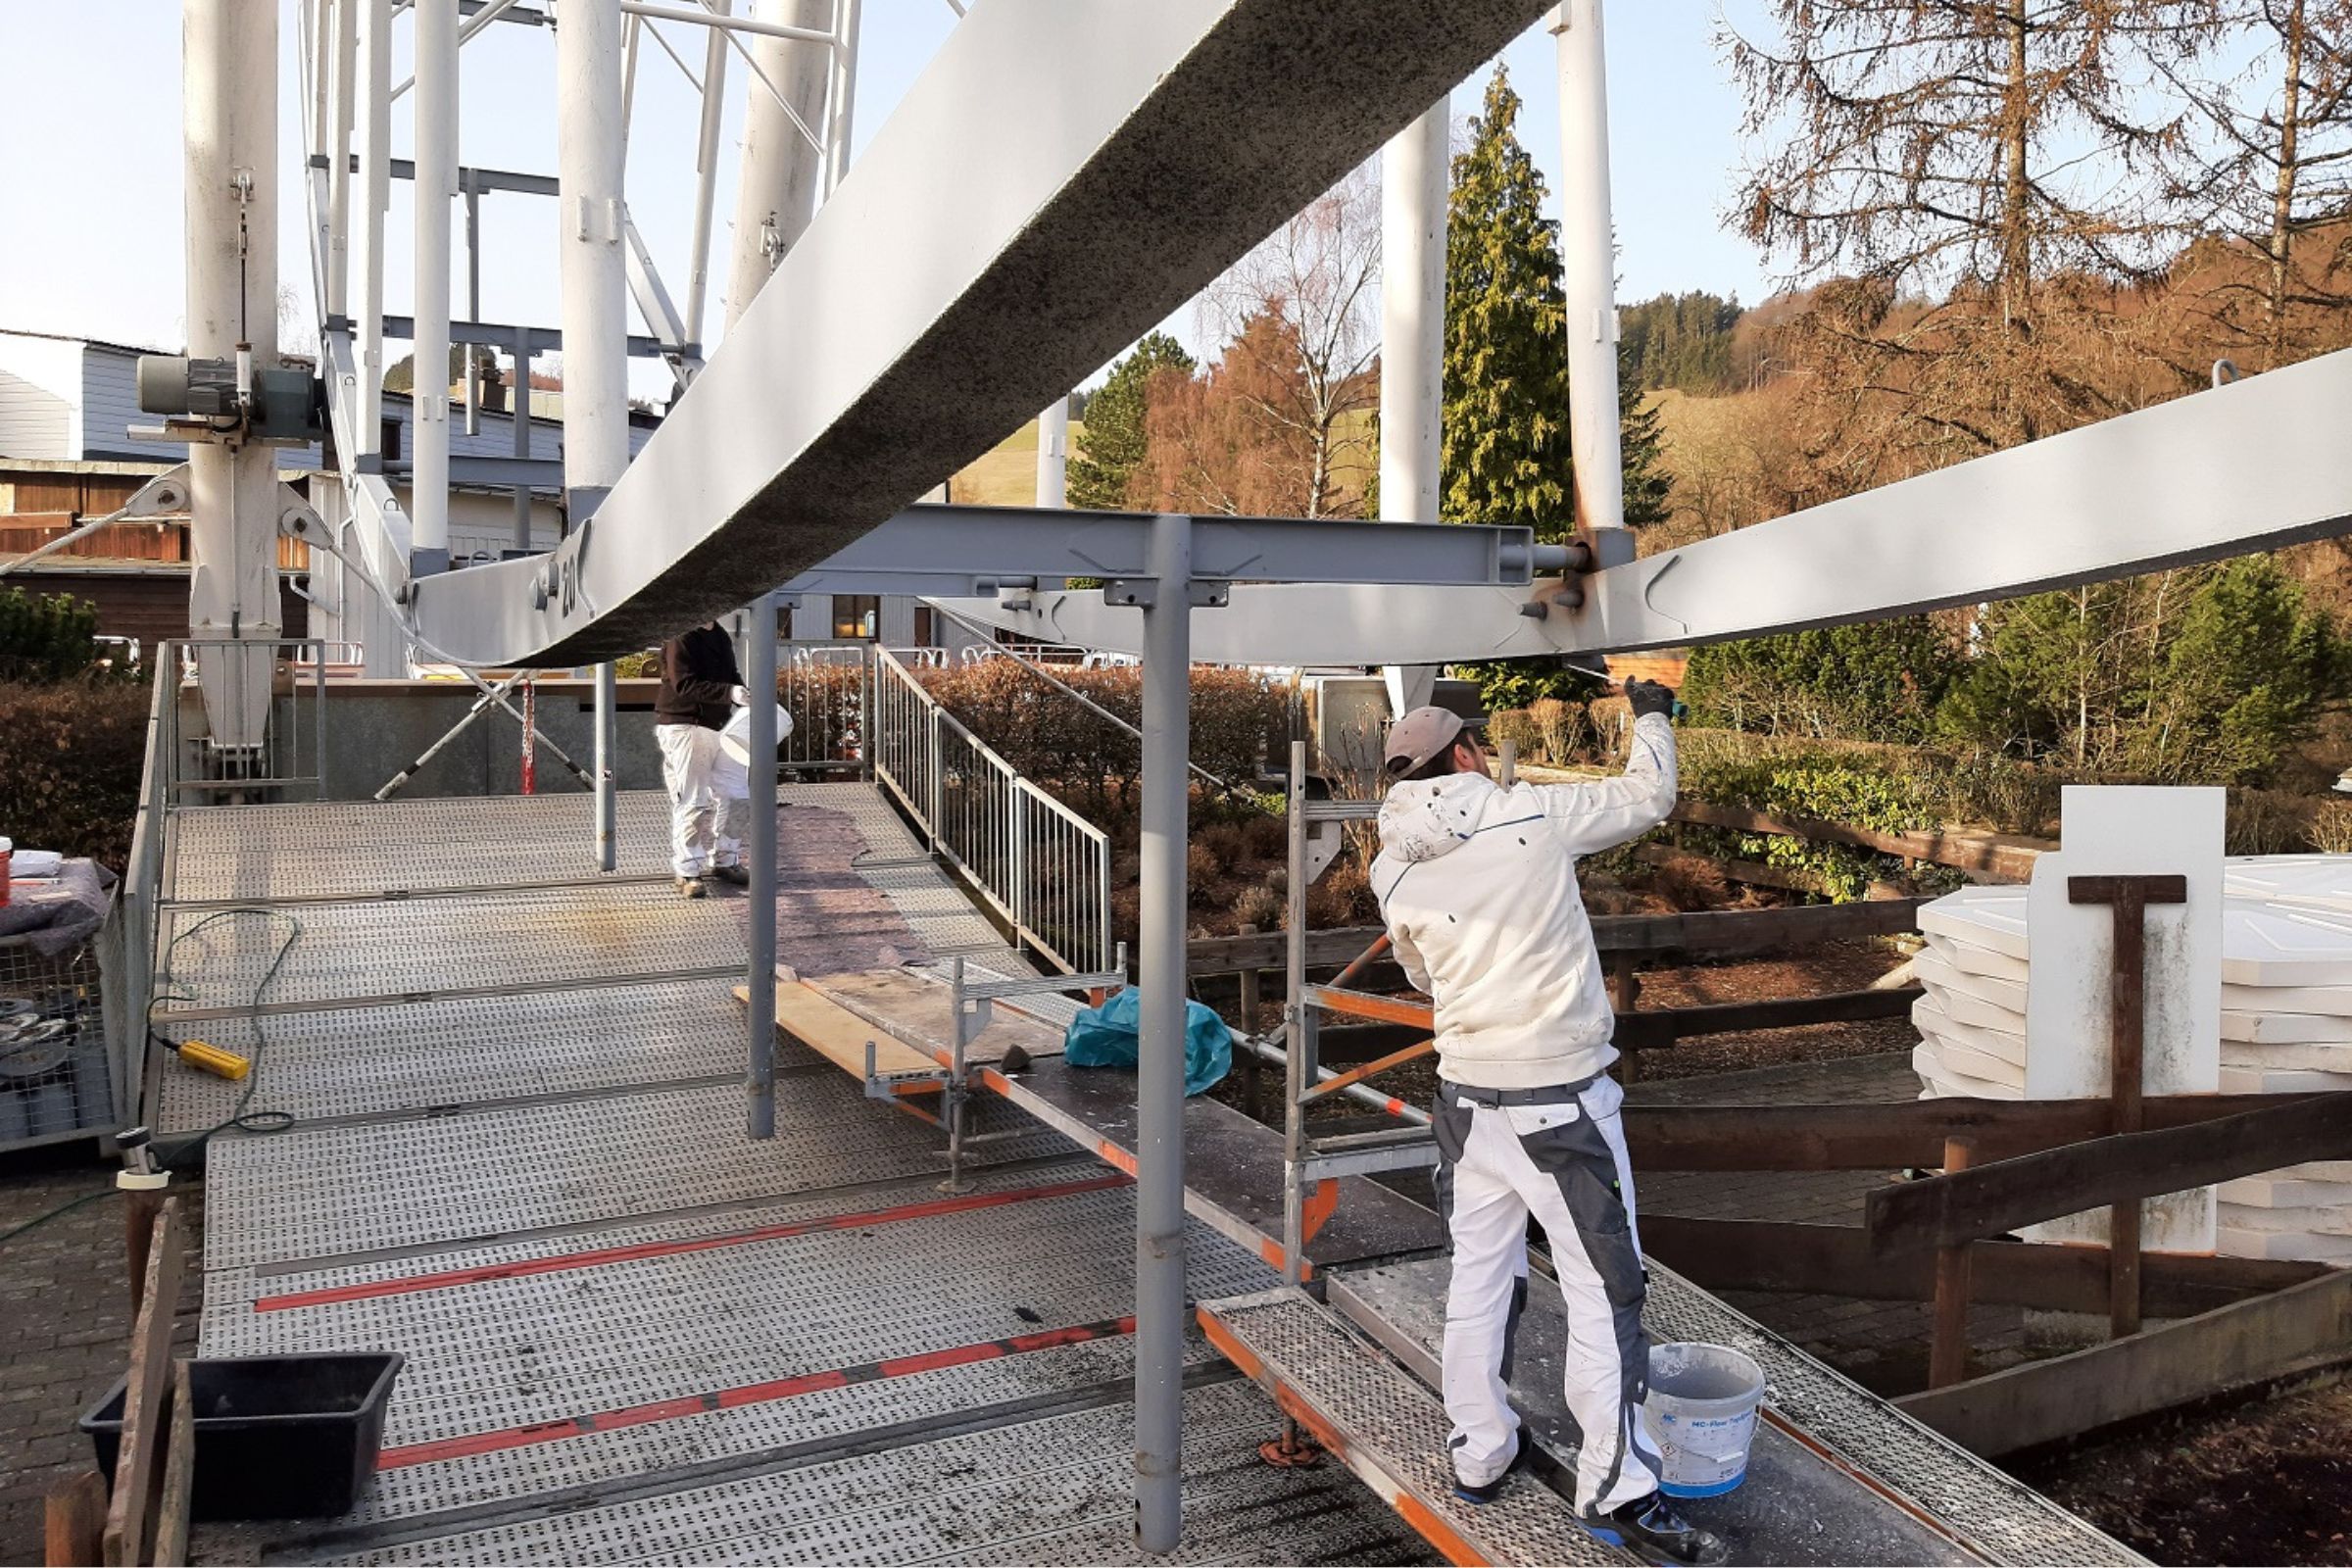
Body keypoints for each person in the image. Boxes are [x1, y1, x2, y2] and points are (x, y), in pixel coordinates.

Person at [1370, 683, 1724, 1567]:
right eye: (1479, 744)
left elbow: (1421, 977)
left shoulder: (1391, 867)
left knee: (1479, 1277)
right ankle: (1620, 1490)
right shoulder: (1526, 817)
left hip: (1463, 1101)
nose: (1487, 755)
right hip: (1560, 1105)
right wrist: (1650, 714)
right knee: (1606, 1296)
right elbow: (1646, 796)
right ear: (1462, 756)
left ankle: (1482, 1450)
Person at [655, 621, 751, 898]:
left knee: (738, 796)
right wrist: (731, 693)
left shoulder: (718, 634)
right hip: (686, 724)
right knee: (693, 801)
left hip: (718, 724)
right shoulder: (681, 634)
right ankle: (688, 870)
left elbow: (730, 674)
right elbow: (684, 684)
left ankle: (726, 859)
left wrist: (741, 692)